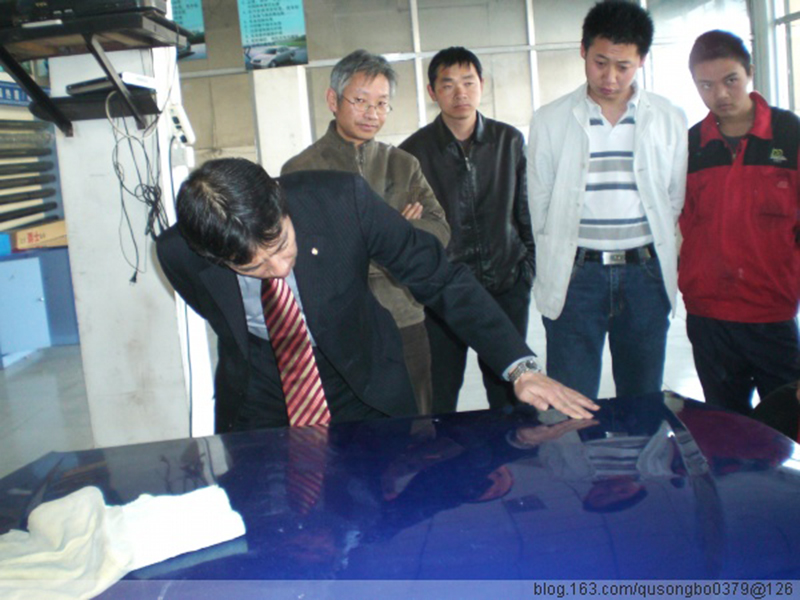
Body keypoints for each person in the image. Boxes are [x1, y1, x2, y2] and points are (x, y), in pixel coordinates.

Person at [156, 158, 598, 433]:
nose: (278, 269)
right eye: (252, 268)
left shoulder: (341, 200)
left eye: (281, 246)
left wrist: (519, 367)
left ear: (280, 202)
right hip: (261, 391)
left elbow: (441, 278)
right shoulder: (178, 254)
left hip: (360, 379)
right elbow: (220, 315)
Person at [527, 0, 687, 399]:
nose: (610, 78)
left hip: (645, 276)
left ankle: (640, 445)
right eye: (600, 63)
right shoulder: (550, 119)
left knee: (643, 397)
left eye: (623, 66)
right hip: (577, 276)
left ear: (642, 61)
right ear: (583, 51)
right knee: (570, 399)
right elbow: (540, 205)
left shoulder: (668, 118)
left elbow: (673, 199)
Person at [282, 49, 449, 416]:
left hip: (404, 317)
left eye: (382, 103)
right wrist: (398, 235)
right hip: (335, 325)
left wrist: (361, 246)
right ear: (333, 100)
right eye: (360, 101)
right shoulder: (300, 171)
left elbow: (438, 230)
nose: (372, 113)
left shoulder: (402, 164)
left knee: (417, 423)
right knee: (346, 430)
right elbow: (306, 255)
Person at [400, 46, 535, 414]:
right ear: (432, 92)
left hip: (507, 285)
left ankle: (509, 452)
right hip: (444, 294)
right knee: (440, 396)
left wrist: (526, 271)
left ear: (481, 85)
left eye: (468, 82)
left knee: (509, 393)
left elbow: (525, 212)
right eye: (448, 85)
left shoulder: (508, 141)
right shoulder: (412, 153)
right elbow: (410, 228)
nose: (460, 93)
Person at [680, 30, 800, 416]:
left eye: (730, 80)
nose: (720, 94)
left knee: (787, 426)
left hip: (772, 315)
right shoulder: (689, 146)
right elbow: (680, 224)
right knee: (726, 429)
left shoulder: (790, 134)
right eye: (706, 85)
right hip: (709, 318)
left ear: (749, 72)